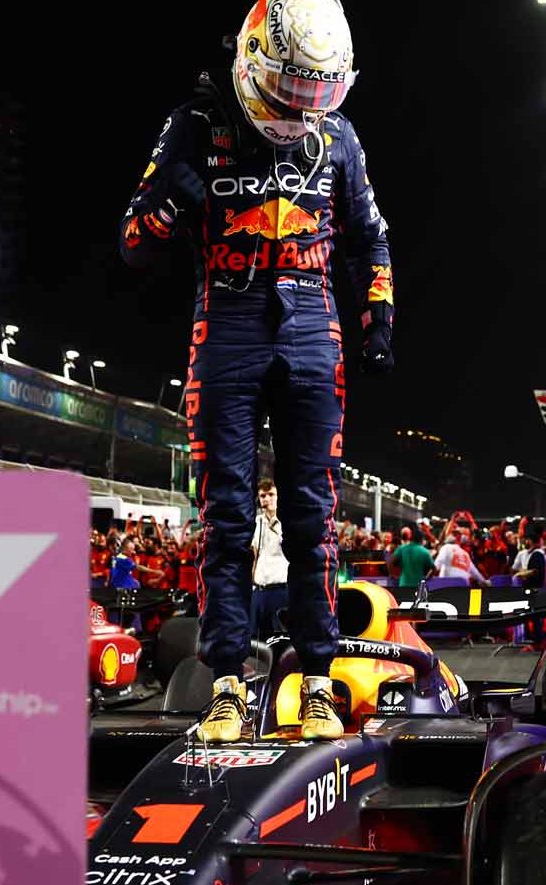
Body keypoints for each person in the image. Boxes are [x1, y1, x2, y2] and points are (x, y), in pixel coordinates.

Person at [120, 0, 392, 742]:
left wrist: (379, 312)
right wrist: (173, 203)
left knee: (313, 520)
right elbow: (133, 239)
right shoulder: (198, 124)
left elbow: (372, 238)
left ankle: (315, 686)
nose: (306, 108)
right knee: (226, 519)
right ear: (254, 61)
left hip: (312, 328)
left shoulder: (339, 135)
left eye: (319, 93)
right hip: (228, 326)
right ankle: (229, 686)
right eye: (295, 90)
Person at [250, 479, 288, 637]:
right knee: (255, 638)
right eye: (262, 495)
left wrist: (274, 524)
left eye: (271, 494)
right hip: (259, 591)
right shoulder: (257, 522)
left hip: (280, 590)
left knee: (278, 638)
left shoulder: (287, 522)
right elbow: (254, 554)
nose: (266, 499)